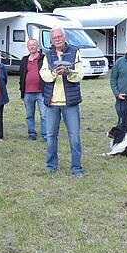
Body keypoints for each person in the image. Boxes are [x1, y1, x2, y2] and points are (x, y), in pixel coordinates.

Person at [39, 27, 85, 177]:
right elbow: (44, 74)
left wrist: (67, 73)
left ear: (65, 37)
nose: (57, 39)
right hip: (52, 103)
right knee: (51, 136)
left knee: (74, 137)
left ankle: (76, 169)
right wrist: (54, 73)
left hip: (70, 103)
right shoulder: (47, 55)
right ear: (51, 40)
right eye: (54, 37)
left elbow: (80, 74)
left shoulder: (75, 51)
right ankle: (51, 166)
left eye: (60, 36)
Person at [19, 39, 47, 141]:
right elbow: (21, 76)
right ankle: (32, 134)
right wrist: (21, 92)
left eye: (33, 45)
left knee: (44, 115)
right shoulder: (24, 60)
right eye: (30, 45)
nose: (32, 47)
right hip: (27, 92)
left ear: (37, 46)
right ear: (28, 47)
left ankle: (45, 135)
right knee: (29, 115)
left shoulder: (43, 58)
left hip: (41, 92)